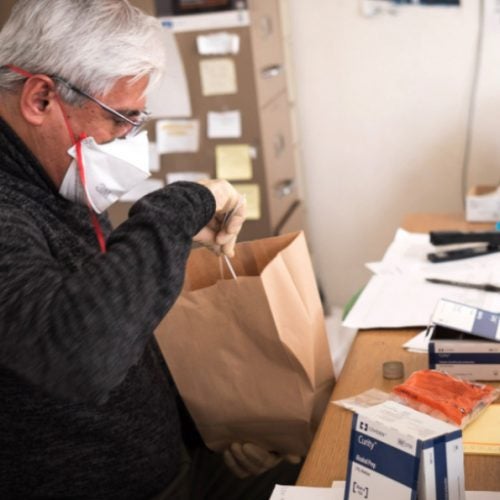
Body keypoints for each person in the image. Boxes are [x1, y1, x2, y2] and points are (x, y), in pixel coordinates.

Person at [0, 0, 300, 498]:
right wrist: (183, 205)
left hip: (171, 458)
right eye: (121, 118)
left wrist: (213, 427)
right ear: (40, 100)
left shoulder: (49, 174)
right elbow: (81, 352)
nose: (127, 139)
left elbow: (108, 310)